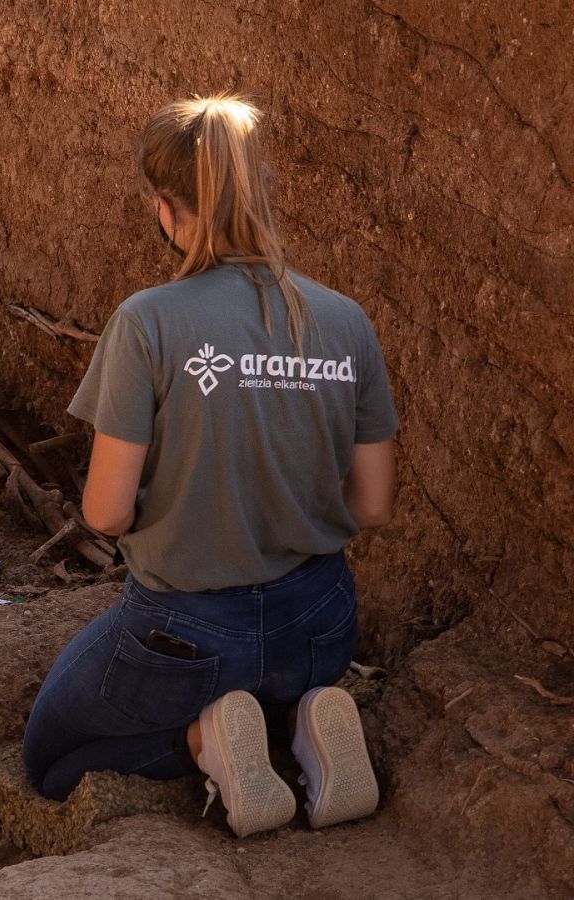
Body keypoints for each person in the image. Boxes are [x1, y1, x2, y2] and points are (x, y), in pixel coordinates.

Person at [20, 93, 399, 839]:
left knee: (49, 757)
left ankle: (204, 740)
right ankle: (303, 726)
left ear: (166, 210)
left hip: (185, 632)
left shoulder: (148, 321)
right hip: (319, 626)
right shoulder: (345, 320)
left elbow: (106, 513)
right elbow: (375, 504)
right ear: (264, 190)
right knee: (271, 672)